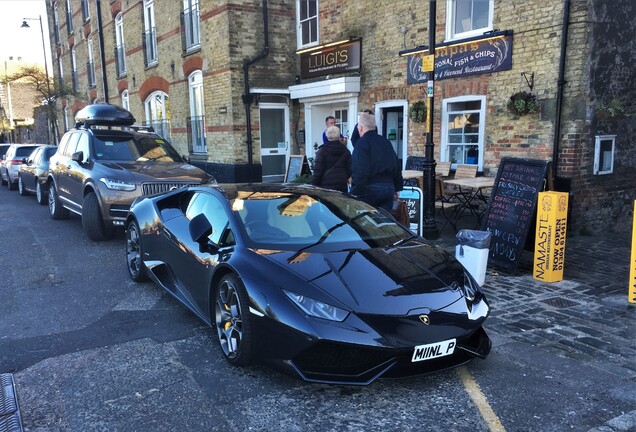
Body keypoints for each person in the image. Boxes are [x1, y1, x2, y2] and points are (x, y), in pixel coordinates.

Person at [350, 112, 403, 211]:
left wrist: (354, 192)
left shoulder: (362, 144)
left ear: (360, 128)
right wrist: (397, 187)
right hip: (388, 188)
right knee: (384, 222)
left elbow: (360, 170)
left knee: (365, 223)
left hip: (370, 189)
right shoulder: (385, 142)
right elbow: (396, 165)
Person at [311, 125, 352, 193]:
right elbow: (349, 170)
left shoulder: (322, 151)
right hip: (341, 185)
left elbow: (318, 171)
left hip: (326, 186)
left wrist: (313, 185)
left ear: (327, 136)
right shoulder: (346, 151)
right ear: (339, 136)